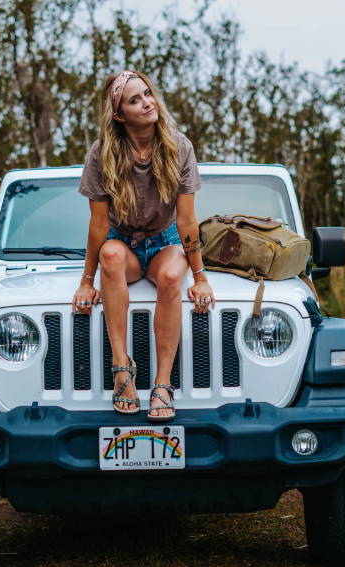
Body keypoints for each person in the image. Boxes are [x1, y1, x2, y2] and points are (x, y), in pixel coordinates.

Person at [73, 70, 215, 421]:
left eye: (148, 94)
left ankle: (162, 385)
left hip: (166, 241)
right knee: (109, 253)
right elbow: (98, 225)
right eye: (135, 99)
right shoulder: (102, 154)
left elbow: (186, 220)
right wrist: (86, 281)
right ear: (119, 115)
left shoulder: (178, 146)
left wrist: (200, 277)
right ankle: (122, 368)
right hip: (122, 242)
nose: (148, 102)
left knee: (169, 278)